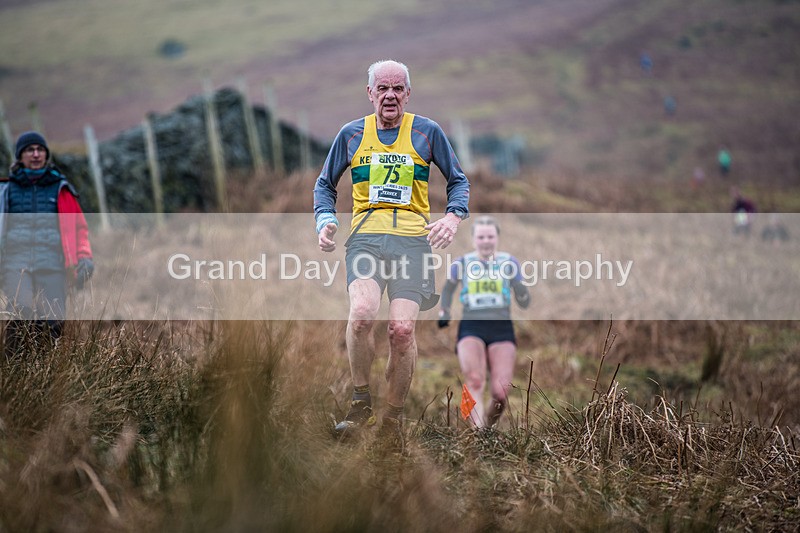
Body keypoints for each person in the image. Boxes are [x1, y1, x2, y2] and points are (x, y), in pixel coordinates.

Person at [313, 60, 470, 453]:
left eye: (398, 88)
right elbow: (324, 185)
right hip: (365, 240)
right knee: (363, 314)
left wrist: (452, 218)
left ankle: (392, 421)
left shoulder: (427, 132)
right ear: (370, 93)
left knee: (401, 331)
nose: (390, 95)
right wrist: (326, 220)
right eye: (382, 88)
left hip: (412, 244)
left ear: (408, 94)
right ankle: (360, 404)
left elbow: (458, 181)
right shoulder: (351, 134)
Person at [1, 131, 94, 355]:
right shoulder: (6, 190)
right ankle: (14, 365)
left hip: (53, 263)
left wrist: (84, 257)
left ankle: (45, 364)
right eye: (29, 150)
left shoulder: (61, 190)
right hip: (15, 263)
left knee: (54, 320)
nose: (35, 154)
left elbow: (80, 229)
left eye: (40, 150)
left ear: (46, 155)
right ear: (20, 156)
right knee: (20, 311)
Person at [437, 216, 529, 428]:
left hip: (502, 328)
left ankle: (486, 428)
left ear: (497, 238)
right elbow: (448, 289)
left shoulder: (509, 263)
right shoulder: (462, 263)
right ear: (473, 239)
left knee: (501, 393)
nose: (486, 241)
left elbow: (524, 301)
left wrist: (521, 290)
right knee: (474, 381)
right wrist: (444, 312)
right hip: (471, 327)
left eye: (490, 236)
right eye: (481, 237)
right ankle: (475, 433)